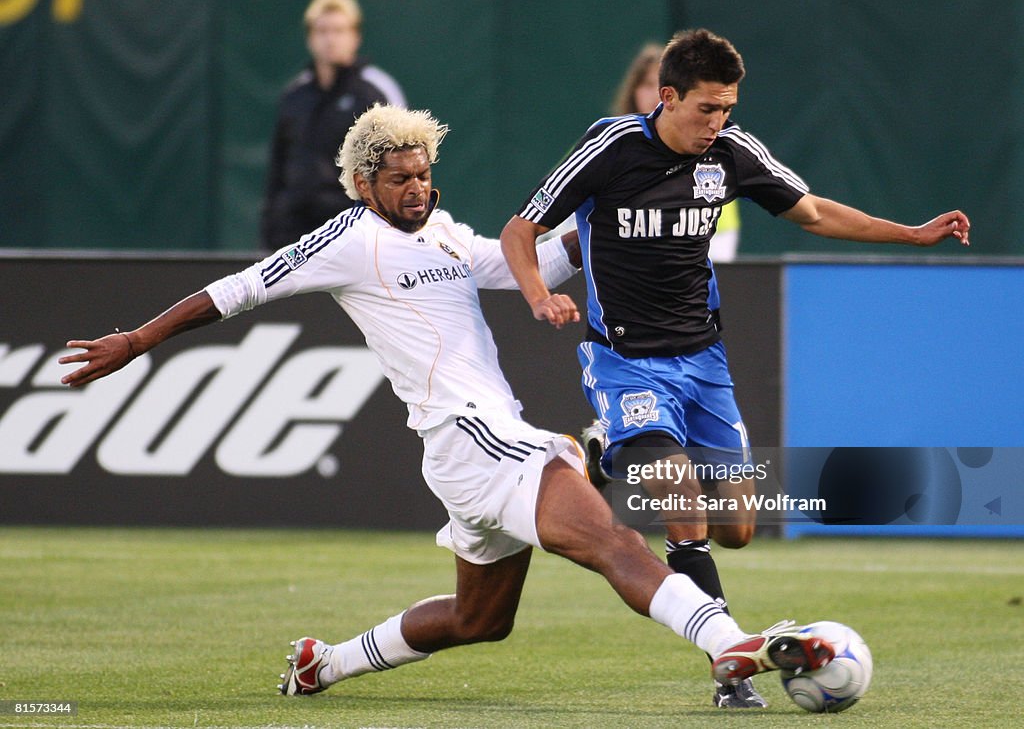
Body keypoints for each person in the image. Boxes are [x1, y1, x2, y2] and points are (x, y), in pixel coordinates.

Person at [58, 104, 834, 701]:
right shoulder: (347, 238)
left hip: (471, 449)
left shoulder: (446, 234)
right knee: (617, 544)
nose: (417, 187)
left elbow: (529, 262)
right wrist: (135, 341)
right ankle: (729, 642)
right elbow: (235, 292)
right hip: (472, 437)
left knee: (479, 621)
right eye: (399, 178)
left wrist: (600, 214)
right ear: (365, 184)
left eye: (424, 173)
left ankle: (320, 665)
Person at [500, 28, 969, 709]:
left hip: (704, 364)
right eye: (706, 109)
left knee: (738, 529)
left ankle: (605, 452)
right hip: (627, 363)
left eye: (727, 109)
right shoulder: (610, 148)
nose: (717, 123)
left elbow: (810, 211)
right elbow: (522, 230)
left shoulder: (731, 153)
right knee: (683, 507)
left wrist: (911, 232)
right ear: (666, 98)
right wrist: (541, 295)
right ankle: (730, 671)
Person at [260, 0, 406, 251]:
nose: (330, 39)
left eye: (339, 30)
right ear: (310, 38)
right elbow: (278, 168)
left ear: (355, 37)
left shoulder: (376, 92)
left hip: (353, 235)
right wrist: (270, 230)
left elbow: (400, 168)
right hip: (293, 235)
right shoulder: (295, 95)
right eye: (322, 31)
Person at [613, 41, 741, 262]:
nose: (655, 94)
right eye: (647, 84)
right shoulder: (603, 145)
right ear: (633, 90)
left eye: (662, 84)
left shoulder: (713, 153)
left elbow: (722, 240)